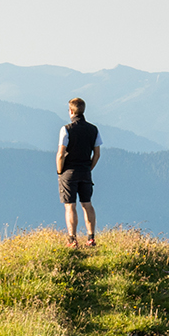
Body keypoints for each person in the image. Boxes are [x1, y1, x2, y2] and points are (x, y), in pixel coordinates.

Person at [57, 97, 100, 246]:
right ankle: (91, 238)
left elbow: (61, 154)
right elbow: (97, 154)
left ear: (71, 111)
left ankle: (72, 239)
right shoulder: (93, 129)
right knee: (87, 204)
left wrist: (59, 171)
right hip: (85, 171)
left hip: (69, 171)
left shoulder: (66, 129)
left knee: (70, 206)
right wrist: (89, 167)